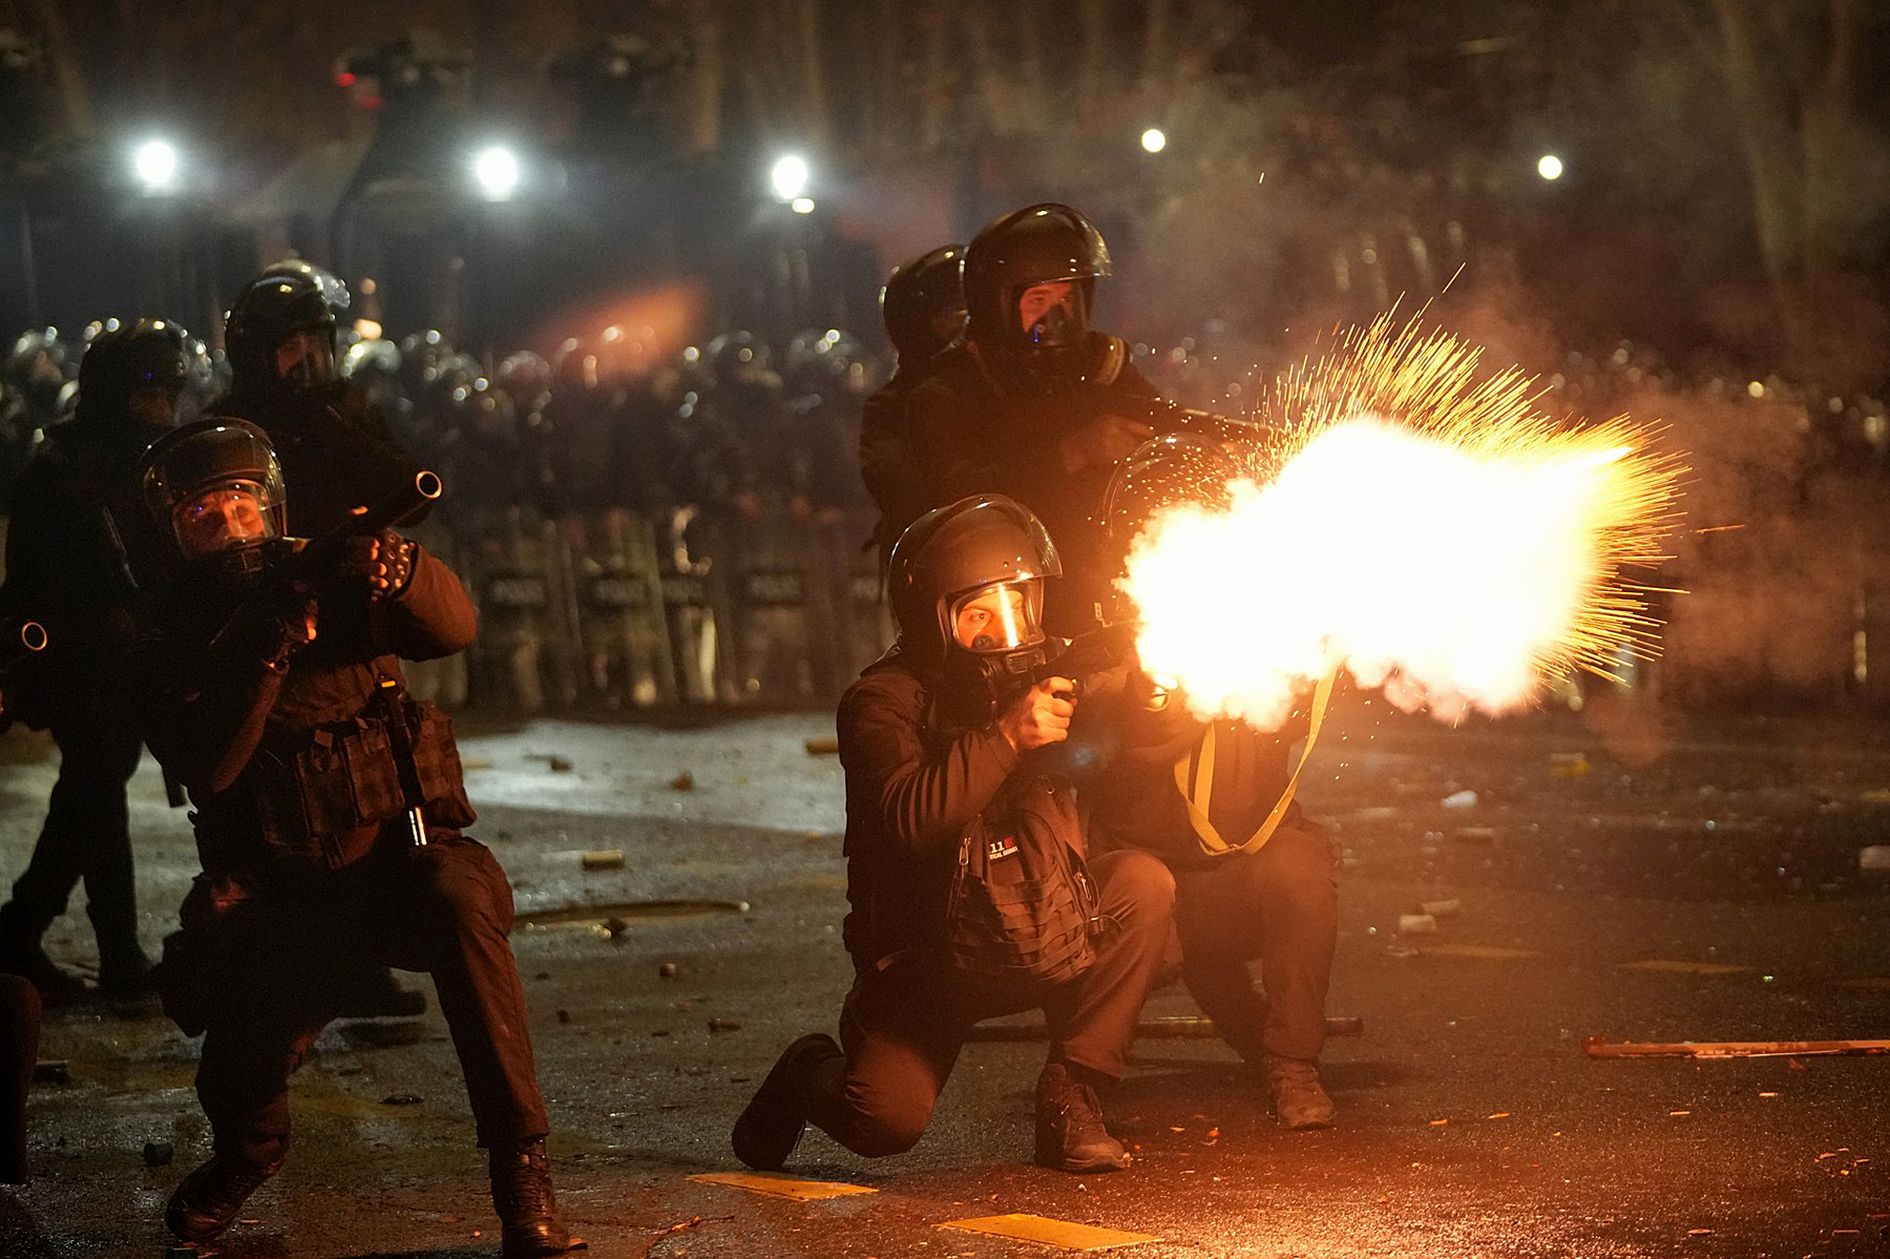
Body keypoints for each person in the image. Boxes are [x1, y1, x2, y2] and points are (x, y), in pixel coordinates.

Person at [129, 420, 578, 1256]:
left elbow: (454, 628)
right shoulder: (171, 635)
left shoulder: (328, 574)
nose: (228, 526)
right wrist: (267, 647)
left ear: (268, 508)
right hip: (282, 902)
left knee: (462, 900)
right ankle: (244, 1159)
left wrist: (398, 572)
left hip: (394, 866)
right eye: (203, 515)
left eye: (239, 506)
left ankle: (522, 1170)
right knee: (236, 1080)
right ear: (176, 534)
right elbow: (211, 768)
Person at [732, 495, 1174, 1173]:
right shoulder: (881, 703)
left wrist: (1148, 695)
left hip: (1041, 922)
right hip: (932, 961)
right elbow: (911, 819)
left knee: (1144, 885)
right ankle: (805, 1072)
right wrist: (1005, 735)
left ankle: (1073, 1091)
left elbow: (1125, 734)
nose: (1009, 630)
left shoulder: (1048, 670)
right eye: (980, 615)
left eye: (1019, 605)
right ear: (932, 620)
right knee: (885, 1118)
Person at [214, 267, 431, 1017]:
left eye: (316, 343)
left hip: (354, 636)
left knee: (376, 799)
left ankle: (363, 961)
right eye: (289, 347)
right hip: (276, 639)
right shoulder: (230, 429)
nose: (306, 360)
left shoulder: (344, 412)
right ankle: (278, 975)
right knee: (285, 820)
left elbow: (409, 487)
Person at [0, 319, 187, 1000]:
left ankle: (68, 942)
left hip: (129, 655)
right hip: (80, 661)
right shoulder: (61, 469)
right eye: (150, 390)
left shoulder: (141, 462)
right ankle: (40, 933)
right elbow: (42, 584)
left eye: (171, 389)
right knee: (94, 787)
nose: (164, 404)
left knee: (95, 791)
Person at [904, 205, 1163, 633]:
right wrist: (1076, 452)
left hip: (1110, 592)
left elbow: (1160, 428)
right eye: (1039, 300)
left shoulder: (1102, 369)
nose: (1055, 317)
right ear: (998, 304)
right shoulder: (947, 392)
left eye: (1067, 299)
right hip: (1005, 608)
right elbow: (962, 499)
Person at [859, 244, 966, 567]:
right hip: (935, 565)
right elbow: (904, 492)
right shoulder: (890, 407)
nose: (966, 331)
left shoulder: (1001, 386)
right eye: (953, 317)